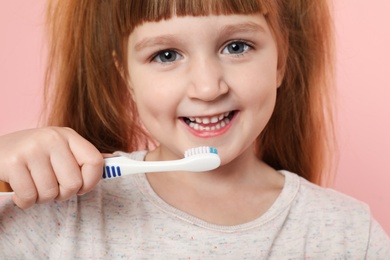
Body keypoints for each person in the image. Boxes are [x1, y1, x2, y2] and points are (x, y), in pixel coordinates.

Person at [0, 0, 389, 258]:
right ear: (127, 76)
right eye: (166, 55)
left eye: (236, 46)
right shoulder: (57, 214)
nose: (207, 87)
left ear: (281, 59)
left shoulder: (347, 235)